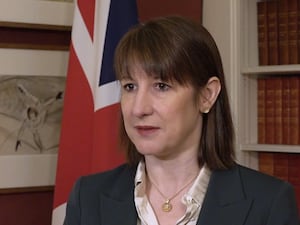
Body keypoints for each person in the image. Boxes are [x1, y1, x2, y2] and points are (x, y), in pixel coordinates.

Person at [63, 16, 299, 225]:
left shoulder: (268, 203)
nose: (138, 108)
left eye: (161, 86)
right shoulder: (89, 196)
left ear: (206, 96)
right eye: (130, 86)